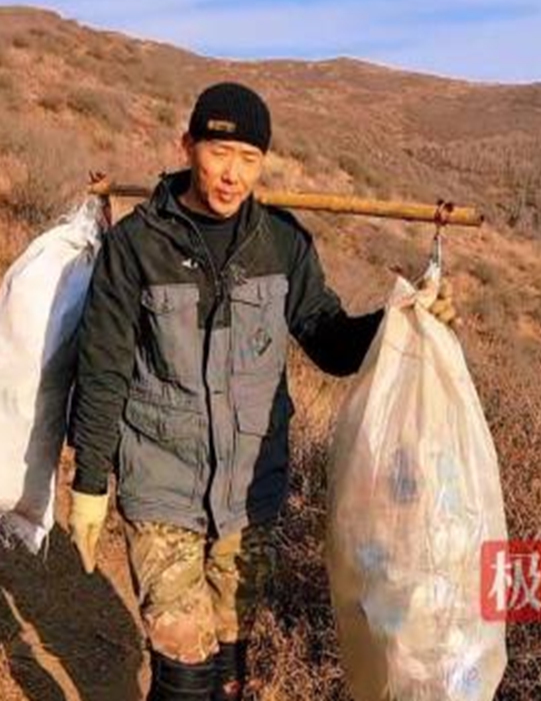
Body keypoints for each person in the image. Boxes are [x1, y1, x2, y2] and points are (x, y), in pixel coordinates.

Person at [66, 81, 456, 701]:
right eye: (220, 154)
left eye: (250, 159)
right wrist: (89, 481)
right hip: (161, 481)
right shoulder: (137, 245)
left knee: (228, 664)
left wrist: (403, 319)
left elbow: (329, 344)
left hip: (252, 493)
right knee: (183, 671)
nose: (232, 176)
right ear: (188, 146)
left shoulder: (281, 243)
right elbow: (104, 365)